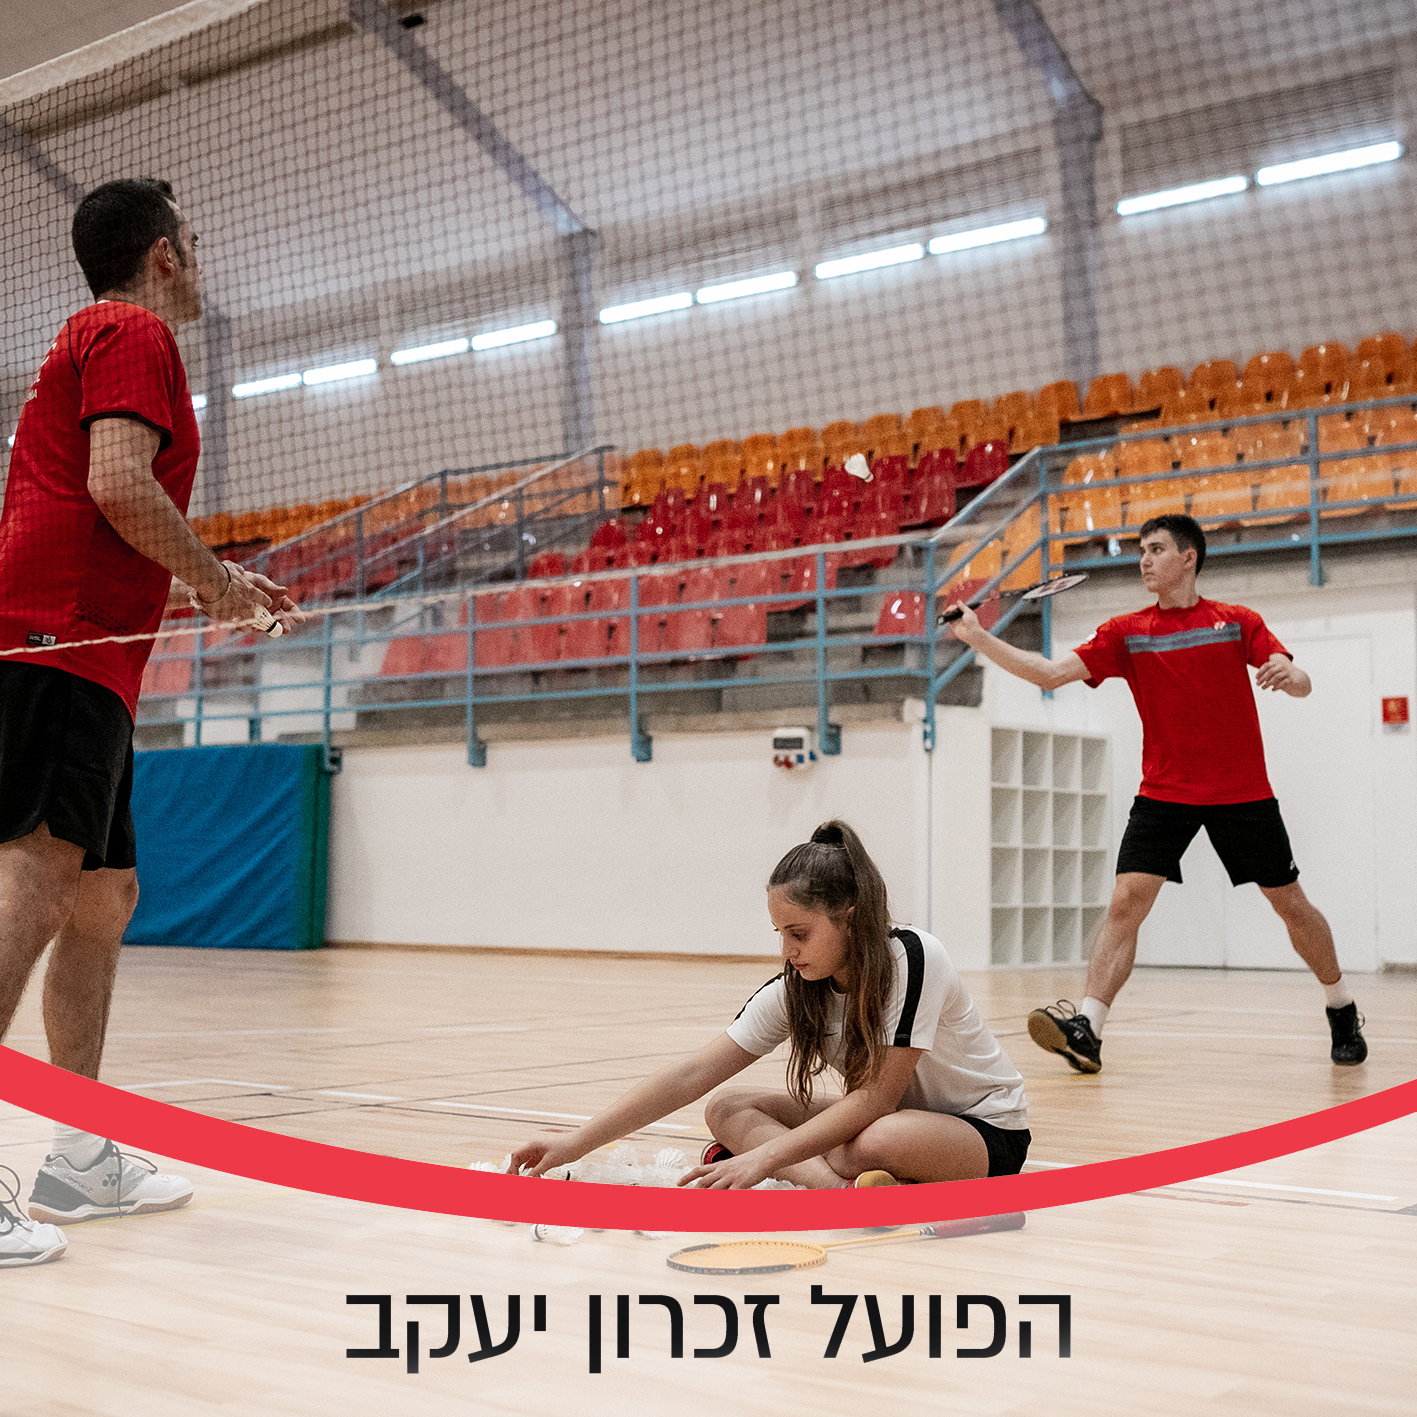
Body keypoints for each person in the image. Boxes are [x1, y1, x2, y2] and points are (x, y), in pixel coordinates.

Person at [0, 177, 303, 1269]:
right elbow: (120, 485)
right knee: (35, 887)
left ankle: (79, 1153)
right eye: (195, 239)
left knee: (102, 898)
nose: (201, 256)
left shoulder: (95, 338)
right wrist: (215, 580)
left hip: (89, 654)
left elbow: (105, 512)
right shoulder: (132, 330)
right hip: (59, 647)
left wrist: (210, 587)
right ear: (164, 254)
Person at [951, 513, 1365, 1075]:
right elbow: (1048, 674)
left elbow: (1297, 677)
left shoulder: (1236, 622)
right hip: (1165, 792)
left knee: (1290, 904)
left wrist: (1292, 677)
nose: (1144, 560)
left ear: (1188, 557)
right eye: (1141, 550)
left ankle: (1341, 1007)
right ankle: (1088, 1029)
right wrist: (977, 637)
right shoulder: (1126, 632)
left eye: (1156, 549)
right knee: (1126, 902)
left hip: (1241, 792)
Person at [511, 820, 1030, 1189]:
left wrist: (761, 1159)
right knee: (727, 1106)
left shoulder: (913, 957)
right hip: (888, 1120)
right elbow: (692, 1074)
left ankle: (824, 1176)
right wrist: (576, 1143)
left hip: (984, 1130)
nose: (787, 950)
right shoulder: (795, 987)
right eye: (780, 933)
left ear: (849, 919)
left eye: (799, 933)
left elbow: (875, 1098)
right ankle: (839, 1191)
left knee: (876, 1140)